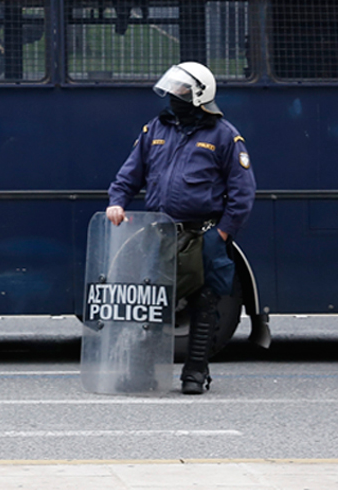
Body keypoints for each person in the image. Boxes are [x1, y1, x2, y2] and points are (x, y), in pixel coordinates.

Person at [106, 62, 256, 395]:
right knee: (152, 303)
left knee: (204, 304)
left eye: (182, 91)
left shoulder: (224, 135)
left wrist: (221, 234)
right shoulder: (155, 130)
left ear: (200, 95)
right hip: (160, 233)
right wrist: (117, 201)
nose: (174, 96)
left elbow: (243, 192)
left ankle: (195, 375)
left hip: (203, 234)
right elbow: (129, 175)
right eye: (172, 89)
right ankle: (143, 374)